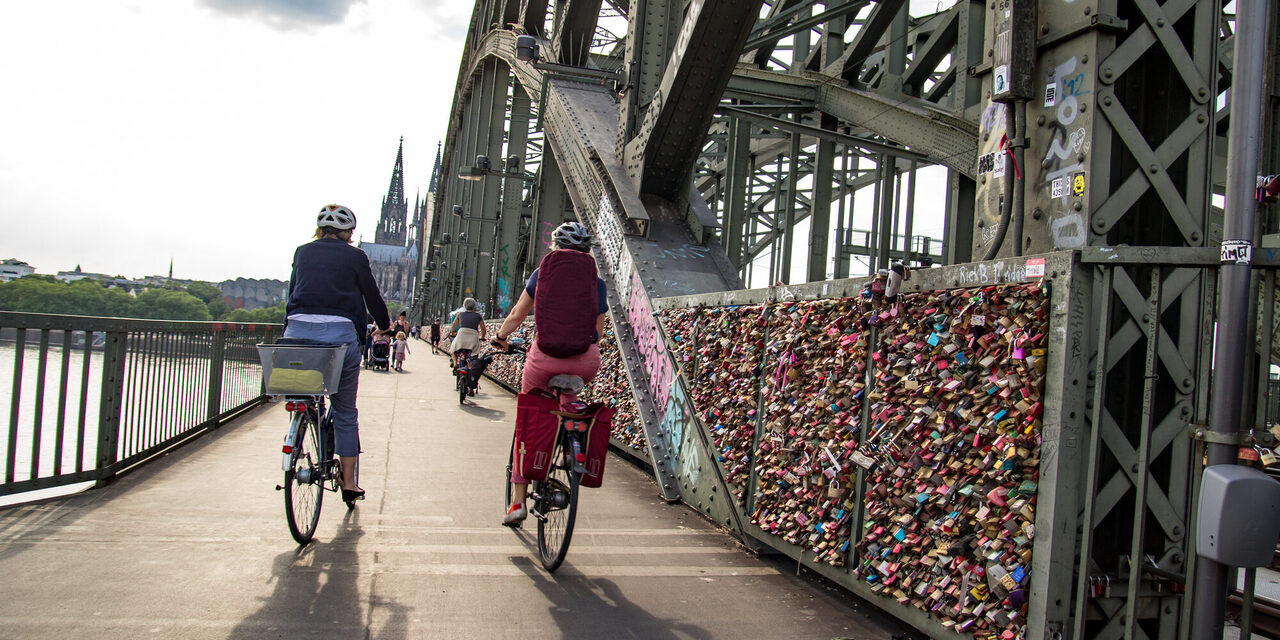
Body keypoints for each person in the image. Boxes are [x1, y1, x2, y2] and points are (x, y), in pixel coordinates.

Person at [491, 221, 607, 525]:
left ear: (554, 247)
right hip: (585, 362)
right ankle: (574, 442)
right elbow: (598, 332)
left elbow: (518, 314)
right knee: (568, 402)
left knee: (526, 424)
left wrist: (501, 337)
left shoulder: (542, 273)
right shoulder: (596, 281)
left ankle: (517, 505)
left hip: (545, 359)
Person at [284, 204, 390, 504]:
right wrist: (384, 325)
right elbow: (373, 297)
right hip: (341, 339)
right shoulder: (355, 256)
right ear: (347, 233)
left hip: (297, 335)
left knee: (302, 395)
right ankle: (348, 482)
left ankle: (301, 424)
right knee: (344, 411)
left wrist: (288, 333)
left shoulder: (302, 252)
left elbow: (292, 295)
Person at [448, 298, 487, 368]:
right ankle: (471, 366)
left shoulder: (460, 314)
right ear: (474, 306)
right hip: (473, 338)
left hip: (461, 336)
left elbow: (453, 326)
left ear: (464, 306)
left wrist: (452, 333)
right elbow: (483, 329)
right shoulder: (478, 316)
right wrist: (482, 337)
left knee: (453, 350)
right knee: (474, 354)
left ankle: (455, 363)